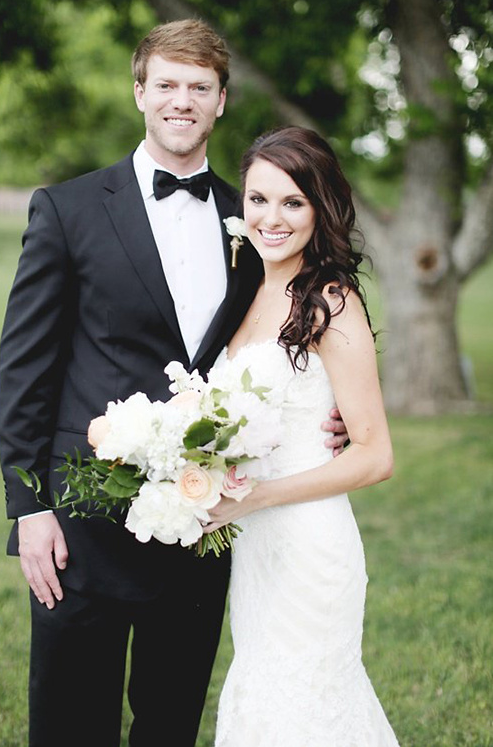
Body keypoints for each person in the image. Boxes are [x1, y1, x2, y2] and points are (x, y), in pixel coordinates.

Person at [0, 21, 348, 747]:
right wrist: (28, 506)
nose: (181, 101)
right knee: (71, 721)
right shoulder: (66, 209)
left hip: (203, 519)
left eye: (198, 88)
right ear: (140, 94)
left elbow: (288, 333)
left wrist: (328, 410)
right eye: (166, 85)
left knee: (171, 716)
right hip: (83, 517)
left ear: (221, 101)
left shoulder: (250, 216)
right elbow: (24, 368)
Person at [204, 126, 399, 746]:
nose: (272, 218)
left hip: (309, 546)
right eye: (258, 199)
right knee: (262, 701)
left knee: (305, 708)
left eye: (293, 202)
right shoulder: (249, 289)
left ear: (321, 207)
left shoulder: (330, 300)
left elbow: (375, 456)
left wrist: (253, 498)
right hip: (257, 550)